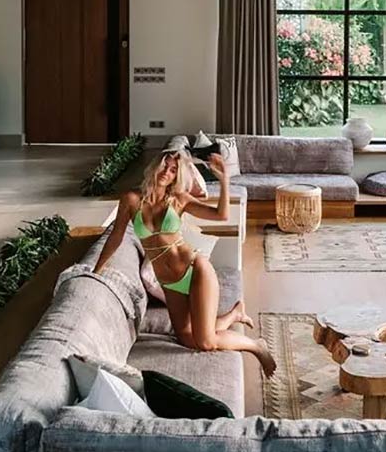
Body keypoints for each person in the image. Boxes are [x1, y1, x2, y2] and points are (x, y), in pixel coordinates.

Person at [93, 150, 277, 377]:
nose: (166, 173)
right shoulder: (131, 200)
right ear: (154, 167)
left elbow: (221, 215)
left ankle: (256, 345)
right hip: (169, 284)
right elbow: (116, 236)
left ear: (175, 176)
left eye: (173, 171)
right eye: (164, 166)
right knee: (186, 337)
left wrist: (224, 180)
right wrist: (96, 270)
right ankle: (234, 315)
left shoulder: (178, 199)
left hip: (195, 270)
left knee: (206, 341)